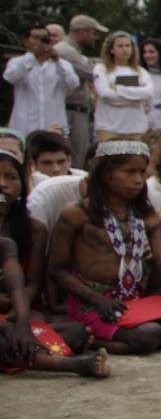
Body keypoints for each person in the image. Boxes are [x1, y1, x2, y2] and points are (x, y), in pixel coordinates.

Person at [49, 140, 161, 355]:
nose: (138, 180)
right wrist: (97, 300)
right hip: (93, 305)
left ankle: (110, 337)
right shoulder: (76, 214)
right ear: (106, 174)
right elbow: (56, 270)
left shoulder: (145, 214)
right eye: (129, 172)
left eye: (141, 172)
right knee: (149, 335)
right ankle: (90, 340)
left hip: (135, 303)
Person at [0, 149, 106, 376]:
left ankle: (23, 345)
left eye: (11, 177)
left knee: (75, 331)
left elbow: (30, 284)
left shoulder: (33, 230)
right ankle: (72, 365)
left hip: (16, 310)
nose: (3, 185)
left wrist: (18, 320)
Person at [5, 22, 79, 138]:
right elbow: (10, 78)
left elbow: (73, 84)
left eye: (44, 38)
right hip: (24, 125)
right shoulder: (17, 62)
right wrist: (33, 59)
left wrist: (57, 62)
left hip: (54, 126)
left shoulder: (62, 64)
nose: (40, 42)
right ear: (26, 41)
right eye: (35, 38)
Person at [54, 15, 105, 166]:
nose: (95, 37)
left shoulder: (74, 52)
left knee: (79, 155)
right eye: (93, 33)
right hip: (71, 111)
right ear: (83, 32)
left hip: (77, 111)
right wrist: (116, 68)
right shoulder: (65, 51)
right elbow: (93, 73)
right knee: (75, 157)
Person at [93, 32, 154, 146]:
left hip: (136, 128)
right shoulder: (101, 69)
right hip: (108, 128)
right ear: (112, 50)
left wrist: (119, 89)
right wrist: (136, 97)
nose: (125, 49)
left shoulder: (140, 71)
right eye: (120, 46)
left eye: (127, 45)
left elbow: (148, 92)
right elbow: (105, 94)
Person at [138, 37, 161, 146]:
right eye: (144, 52)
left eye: (151, 52)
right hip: (145, 120)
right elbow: (118, 85)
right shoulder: (138, 73)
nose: (147, 55)